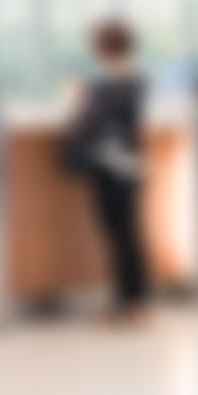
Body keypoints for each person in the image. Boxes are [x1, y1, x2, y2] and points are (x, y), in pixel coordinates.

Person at [61, 19, 148, 325]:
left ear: (102, 48)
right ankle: (134, 302)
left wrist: (76, 98)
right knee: (128, 234)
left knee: (119, 235)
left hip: (109, 165)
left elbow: (86, 121)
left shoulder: (106, 85)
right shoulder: (135, 78)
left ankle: (126, 305)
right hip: (130, 162)